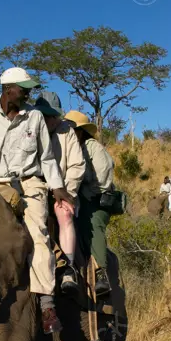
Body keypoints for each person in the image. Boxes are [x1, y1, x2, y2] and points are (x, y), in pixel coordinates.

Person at [0, 67, 72, 334]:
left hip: (29, 183)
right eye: (24, 89)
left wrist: (56, 186)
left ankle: (47, 304)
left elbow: (46, 157)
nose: (28, 93)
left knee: (39, 233)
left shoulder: (34, 118)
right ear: (8, 89)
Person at [34, 91, 86, 294]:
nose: (49, 120)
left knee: (64, 213)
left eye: (52, 116)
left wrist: (66, 191)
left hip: (62, 188)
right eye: (45, 115)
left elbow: (76, 165)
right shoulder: (28, 127)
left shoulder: (67, 132)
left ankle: (69, 268)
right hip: (33, 189)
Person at [66, 110, 116, 298]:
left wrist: (81, 183)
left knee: (93, 227)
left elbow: (103, 176)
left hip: (95, 200)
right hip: (77, 198)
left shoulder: (92, 146)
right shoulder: (70, 147)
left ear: (80, 131)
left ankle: (102, 274)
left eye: (72, 129)